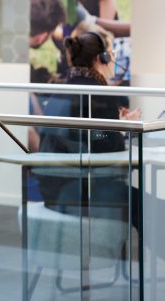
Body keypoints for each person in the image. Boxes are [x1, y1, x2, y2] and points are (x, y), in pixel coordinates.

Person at [34, 28, 140, 227]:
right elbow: (112, 153)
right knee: (148, 206)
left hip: (52, 191)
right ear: (103, 58)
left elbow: (85, 139)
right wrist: (124, 128)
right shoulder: (99, 95)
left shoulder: (60, 92)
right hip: (79, 192)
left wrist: (115, 126)